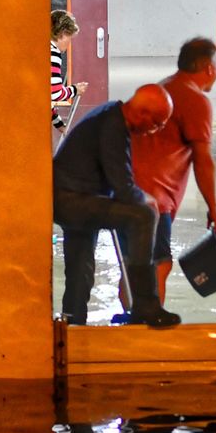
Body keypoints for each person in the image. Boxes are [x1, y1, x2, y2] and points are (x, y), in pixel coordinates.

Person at [53, 84, 181, 327]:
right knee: (143, 215)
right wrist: (148, 200)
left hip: (70, 197)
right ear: (142, 114)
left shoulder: (109, 114)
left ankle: (73, 323)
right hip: (74, 200)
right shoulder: (114, 126)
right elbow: (123, 187)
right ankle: (146, 305)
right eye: (157, 124)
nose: (154, 131)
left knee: (81, 268)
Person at [128, 38, 216, 302]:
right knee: (159, 264)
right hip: (154, 198)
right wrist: (214, 208)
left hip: (127, 190)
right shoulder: (195, 100)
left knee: (133, 264)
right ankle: (148, 327)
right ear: (208, 67)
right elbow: (203, 160)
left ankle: (130, 325)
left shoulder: (163, 88)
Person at [51, 10, 89, 134]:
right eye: (69, 38)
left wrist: (61, 126)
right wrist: (75, 90)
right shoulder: (52, 53)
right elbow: (55, 93)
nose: (69, 43)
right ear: (62, 33)